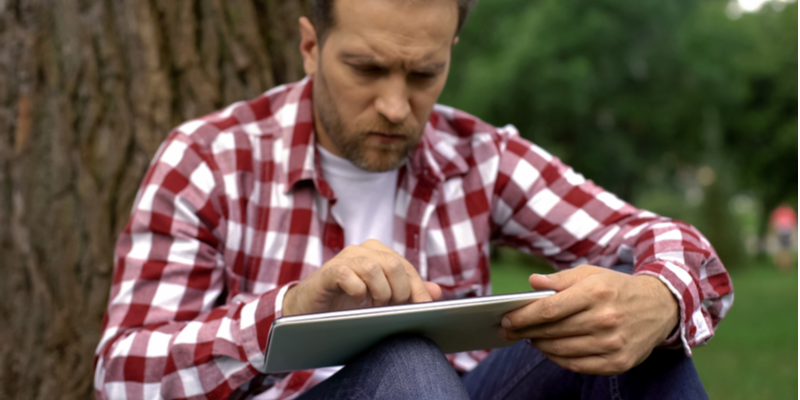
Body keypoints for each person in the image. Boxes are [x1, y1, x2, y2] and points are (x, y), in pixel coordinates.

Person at [93, 0, 733, 399]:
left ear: (449, 51)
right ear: (311, 46)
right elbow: (122, 378)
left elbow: (669, 243)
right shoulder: (208, 159)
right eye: (366, 69)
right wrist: (289, 315)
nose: (397, 107)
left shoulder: (476, 154)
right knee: (403, 363)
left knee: (628, 316)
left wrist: (660, 301)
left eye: (423, 74)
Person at [768, 204, 797, 271]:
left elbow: (773, 223)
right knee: (785, 250)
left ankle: (785, 267)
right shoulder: (787, 212)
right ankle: (784, 267)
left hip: (784, 233)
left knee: (785, 250)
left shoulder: (781, 212)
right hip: (782, 233)